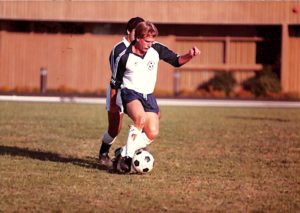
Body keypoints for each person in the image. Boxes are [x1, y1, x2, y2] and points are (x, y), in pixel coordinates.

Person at [111, 21, 201, 173]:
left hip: (148, 96)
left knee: (152, 133)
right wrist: (114, 103)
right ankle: (125, 160)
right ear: (138, 38)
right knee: (140, 119)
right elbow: (115, 83)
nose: (149, 44)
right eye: (147, 41)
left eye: (152, 41)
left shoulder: (156, 49)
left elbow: (176, 61)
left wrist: (189, 55)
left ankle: (124, 151)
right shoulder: (124, 57)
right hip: (130, 93)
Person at [99, 17, 145, 167]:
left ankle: (127, 151)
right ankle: (103, 153)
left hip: (135, 94)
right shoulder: (119, 49)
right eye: (136, 31)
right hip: (117, 93)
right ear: (128, 31)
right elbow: (115, 78)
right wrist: (113, 101)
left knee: (143, 120)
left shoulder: (141, 47)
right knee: (114, 130)